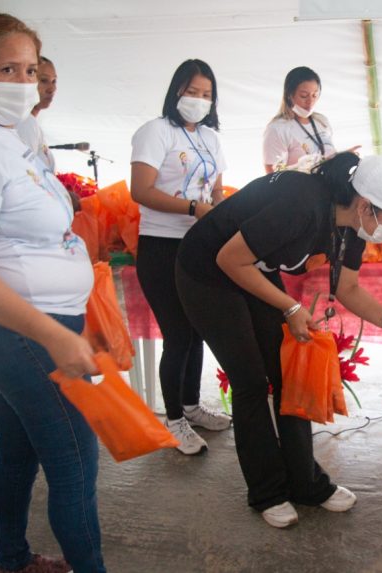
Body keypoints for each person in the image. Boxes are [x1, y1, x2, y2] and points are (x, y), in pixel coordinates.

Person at [175, 151, 382, 528]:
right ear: (365, 204)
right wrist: (291, 308)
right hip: (207, 272)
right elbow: (229, 260)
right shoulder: (303, 204)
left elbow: (348, 287)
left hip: (251, 269)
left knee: (288, 373)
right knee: (250, 381)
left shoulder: (354, 224)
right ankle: (267, 492)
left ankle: (307, 484)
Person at [0, 13, 105, 572]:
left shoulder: (11, 133)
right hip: (14, 327)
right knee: (75, 461)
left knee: (18, 451)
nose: (24, 82)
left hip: (40, 321)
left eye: (31, 70)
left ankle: (11, 559)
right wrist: (51, 336)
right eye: (7, 69)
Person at [130, 59, 230, 455]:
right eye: (193, 92)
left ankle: (191, 406)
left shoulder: (211, 138)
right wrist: (193, 209)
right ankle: (173, 420)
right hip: (161, 244)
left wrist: (219, 216)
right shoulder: (156, 132)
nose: (199, 100)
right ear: (176, 92)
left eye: (207, 95)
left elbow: (217, 191)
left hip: (199, 245)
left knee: (197, 331)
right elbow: (141, 190)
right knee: (177, 335)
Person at [263, 66, 336, 173]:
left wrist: (342, 157)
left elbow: (329, 155)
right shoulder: (277, 129)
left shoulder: (321, 121)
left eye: (315, 95)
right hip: (299, 188)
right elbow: (273, 174)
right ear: (289, 95)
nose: (310, 101)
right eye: (304, 96)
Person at [16, 56, 56, 171]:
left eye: (54, 81)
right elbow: (26, 174)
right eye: (44, 80)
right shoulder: (25, 122)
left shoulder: (31, 122)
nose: (52, 88)